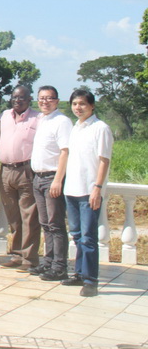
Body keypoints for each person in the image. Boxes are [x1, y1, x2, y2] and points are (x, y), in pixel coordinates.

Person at [62, 89, 113, 297]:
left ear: (92, 105)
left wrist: (97, 188)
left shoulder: (101, 128)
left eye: (82, 103)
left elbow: (104, 160)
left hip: (89, 191)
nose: (78, 107)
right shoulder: (75, 127)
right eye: (74, 104)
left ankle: (91, 281)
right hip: (72, 189)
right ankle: (80, 274)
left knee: (88, 238)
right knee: (76, 236)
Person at [30, 85, 72, 281]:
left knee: (56, 224)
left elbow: (65, 152)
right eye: (41, 98)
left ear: (57, 100)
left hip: (52, 178)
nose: (44, 101)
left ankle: (59, 266)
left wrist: (58, 180)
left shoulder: (62, 121)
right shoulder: (42, 119)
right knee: (45, 223)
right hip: (38, 178)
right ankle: (48, 262)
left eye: (49, 98)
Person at [0, 85, 41, 271]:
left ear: (29, 99)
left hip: (26, 171)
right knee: (13, 217)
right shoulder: (4, 116)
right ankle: (16, 255)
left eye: (22, 97)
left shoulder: (38, 118)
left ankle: (29, 259)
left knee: (29, 216)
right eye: (14, 97)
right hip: (5, 171)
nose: (17, 101)